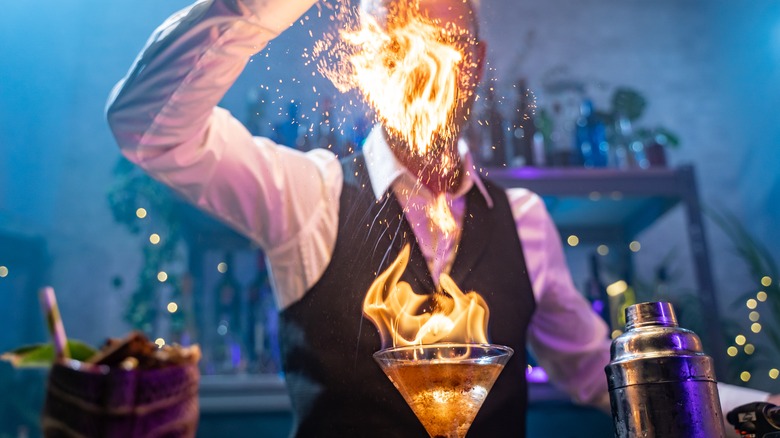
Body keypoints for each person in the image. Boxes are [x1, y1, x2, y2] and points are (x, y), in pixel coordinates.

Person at [106, 0, 778, 436]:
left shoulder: (526, 219)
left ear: (474, 65)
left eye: (443, 41)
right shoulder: (305, 191)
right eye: (394, 38)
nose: (418, 61)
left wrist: (756, 411)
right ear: (367, 61)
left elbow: (598, 375)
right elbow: (149, 128)